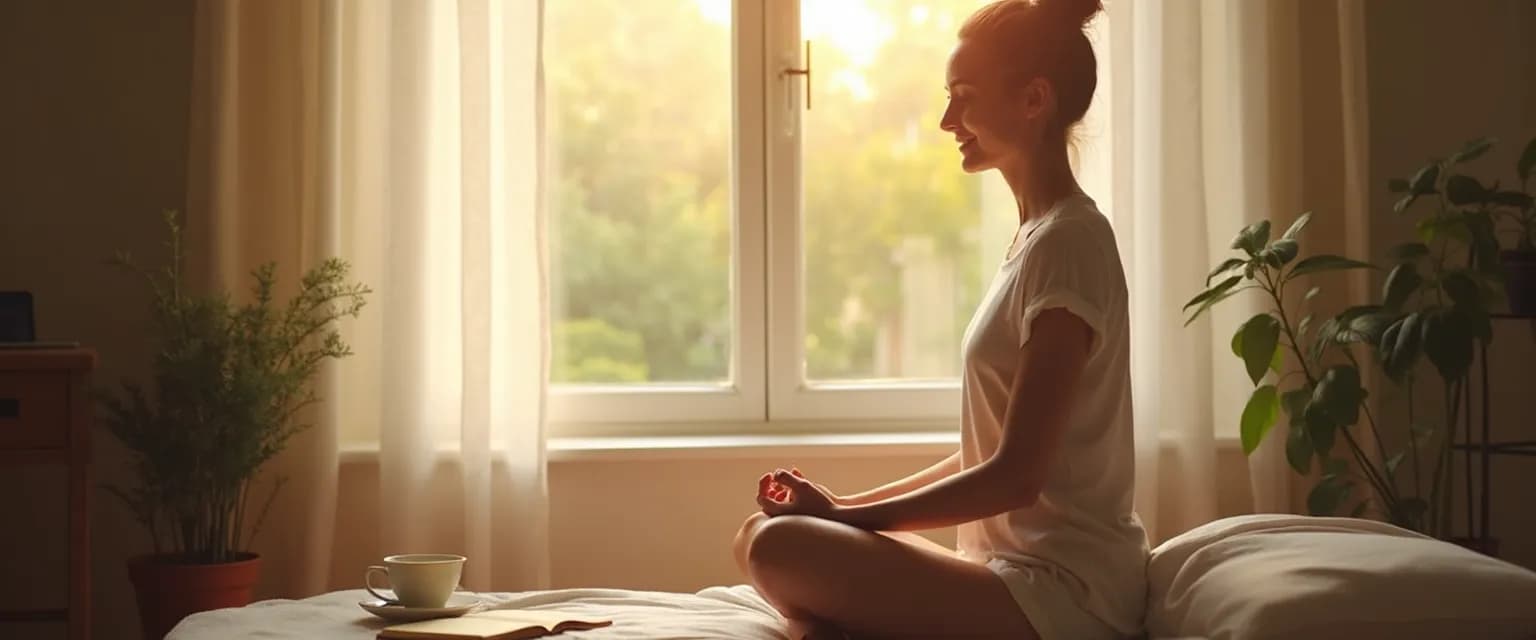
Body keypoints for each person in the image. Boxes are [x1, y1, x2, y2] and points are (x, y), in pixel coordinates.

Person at [731, 1, 1147, 638]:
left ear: (1034, 99)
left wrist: (848, 523)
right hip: (1007, 572)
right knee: (761, 535)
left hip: (1066, 597)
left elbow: (1015, 475)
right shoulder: (1038, 240)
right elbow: (988, 452)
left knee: (777, 550)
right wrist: (843, 507)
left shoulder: (1071, 244)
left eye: (964, 97)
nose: (947, 119)